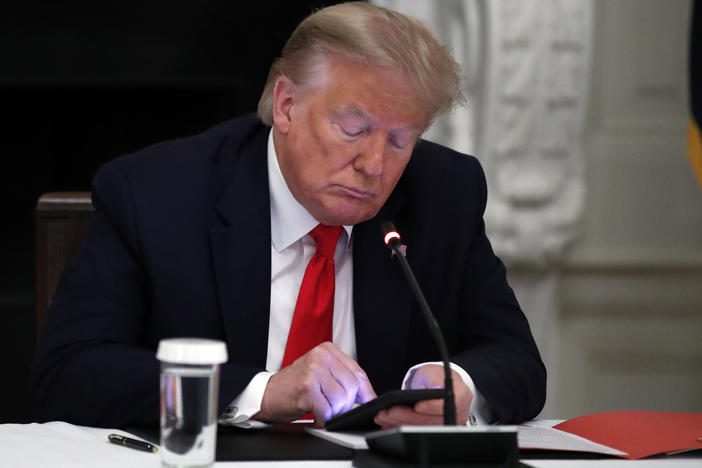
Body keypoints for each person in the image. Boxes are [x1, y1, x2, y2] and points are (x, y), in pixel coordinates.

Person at [33, 2, 545, 429]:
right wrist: (261, 392)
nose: (374, 165)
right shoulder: (157, 194)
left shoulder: (443, 193)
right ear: (286, 105)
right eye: (352, 128)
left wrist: (457, 385)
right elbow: (70, 373)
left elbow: (517, 362)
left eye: (399, 139)